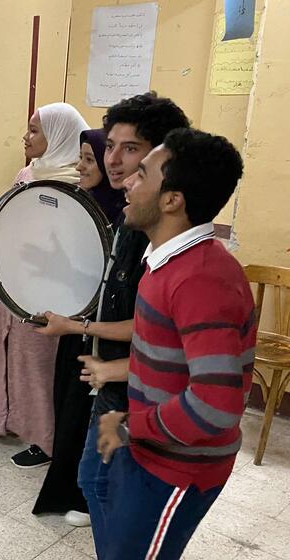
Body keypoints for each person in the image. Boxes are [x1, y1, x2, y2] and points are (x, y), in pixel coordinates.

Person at [33, 92, 191, 545]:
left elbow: (157, 331)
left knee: (124, 502)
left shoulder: (168, 239)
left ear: (163, 156)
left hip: (140, 395)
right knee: (95, 484)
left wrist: (79, 329)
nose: (114, 160)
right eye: (110, 147)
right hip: (112, 385)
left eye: (131, 149)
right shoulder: (128, 219)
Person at [97, 127, 253, 559]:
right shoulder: (165, 261)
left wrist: (130, 426)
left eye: (142, 174)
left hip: (179, 470)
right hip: (149, 449)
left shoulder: (201, 279)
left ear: (172, 200)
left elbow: (214, 408)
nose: (127, 179)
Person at [0, 102, 88, 467]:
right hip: (12, 282)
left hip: (47, 291)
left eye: (35, 130)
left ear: (59, 135)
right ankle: (0, 417)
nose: (26, 136)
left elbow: (70, 245)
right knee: (6, 350)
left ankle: (42, 437)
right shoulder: (28, 173)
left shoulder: (76, 182)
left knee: (37, 363)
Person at [31, 127, 127, 521]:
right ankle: (71, 486)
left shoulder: (123, 216)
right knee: (68, 406)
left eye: (90, 158)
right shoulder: (82, 204)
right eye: (84, 157)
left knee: (94, 414)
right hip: (75, 327)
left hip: (105, 333)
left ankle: (88, 495)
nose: (83, 166)